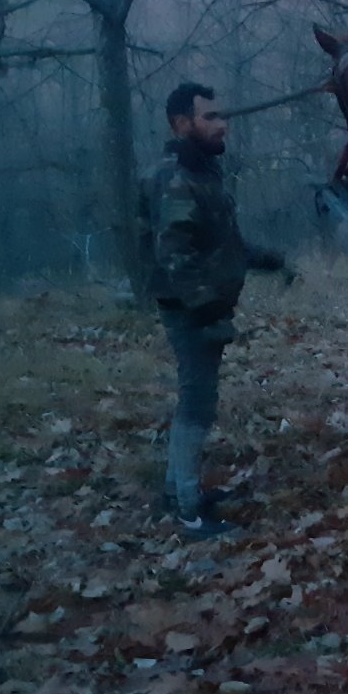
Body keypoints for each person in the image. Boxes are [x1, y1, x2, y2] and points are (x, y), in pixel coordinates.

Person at [142, 81, 291, 539]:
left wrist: (270, 260)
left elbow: (224, 241)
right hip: (190, 309)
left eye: (221, 115)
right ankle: (188, 511)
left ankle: (176, 489)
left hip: (202, 307)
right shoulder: (176, 177)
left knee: (197, 401)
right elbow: (176, 254)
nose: (222, 124)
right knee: (197, 404)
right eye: (209, 117)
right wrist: (208, 312)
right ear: (180, 123)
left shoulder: (203, 173)